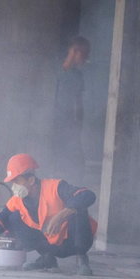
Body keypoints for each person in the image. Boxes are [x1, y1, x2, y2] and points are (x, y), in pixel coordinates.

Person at [0, 153, 96, 275]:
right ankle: (48, 259)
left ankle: (82, 260)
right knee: (12, 218)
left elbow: (87, 195)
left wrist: (62, 215)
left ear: (31, 180)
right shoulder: (17, 201)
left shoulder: (55, 187)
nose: (14, 186)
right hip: (51, 245)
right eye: (12, 182)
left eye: (17, 181)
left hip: (73, 242)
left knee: (79, 207)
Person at [53, 36, 90, 185]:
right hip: (53, 127)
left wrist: (79, 124)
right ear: (75, 52)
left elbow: (78, 103)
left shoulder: (78, 76)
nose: (86, 58)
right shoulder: (54, 71)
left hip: (70, 128)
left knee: (77, 163)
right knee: (56, 162)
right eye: (85, 54)